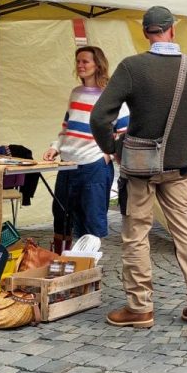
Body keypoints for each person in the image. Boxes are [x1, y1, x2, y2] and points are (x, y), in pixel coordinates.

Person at [91, 6, 187, 329]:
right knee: (185, 231)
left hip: (139, 168)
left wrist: (113, 148)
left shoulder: (132, 67)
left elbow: (99, 118)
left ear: (145, 32)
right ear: (172, 29)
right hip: (180, 166)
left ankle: (140, 307)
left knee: (137, 233)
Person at [43, 46, 129, 250]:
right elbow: (67, 126)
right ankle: (62, 265)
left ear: (98, 65)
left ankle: (87, 267)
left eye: (85, 62)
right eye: (78, 61)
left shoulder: (111, 96)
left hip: (94, 166)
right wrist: (55, 147)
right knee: (61, 217)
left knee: (91, 220)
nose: (80, 65)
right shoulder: (76, 93)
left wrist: (107, 154)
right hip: (68, 164)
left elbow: (124, 131)